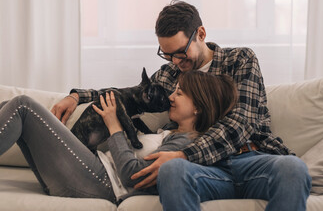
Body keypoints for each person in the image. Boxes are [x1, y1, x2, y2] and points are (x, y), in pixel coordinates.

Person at [52, 0, 311, 210]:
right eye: (166, 54)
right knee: (173, 171)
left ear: (200, 34)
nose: (175, 61)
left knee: (293, 168)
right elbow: (129, 95)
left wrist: (184, 154)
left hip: (250, 158)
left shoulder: (239, 60)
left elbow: (240, 123)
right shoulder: (169, 75)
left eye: (179, 52)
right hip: (205, 171)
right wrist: (78, 96)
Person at [0, 70, 237, 203]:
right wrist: (77, 97)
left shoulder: (184, 144)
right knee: (8, 106)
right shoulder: (170, 130)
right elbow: (126, 93)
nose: (171, 97)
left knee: (23, 106)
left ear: (198, 108)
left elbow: (133, 176)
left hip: (99, 182)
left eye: (180, 93)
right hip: (88, 174)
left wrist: (115, 126)